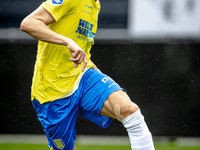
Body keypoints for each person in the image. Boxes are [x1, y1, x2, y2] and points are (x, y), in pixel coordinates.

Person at [20, 0, 155, 150]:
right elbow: (28, 23)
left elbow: (81, 47)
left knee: (130, 112)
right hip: (52, 90)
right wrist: (66, 41)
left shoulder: (95, 4)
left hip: (82, 76)